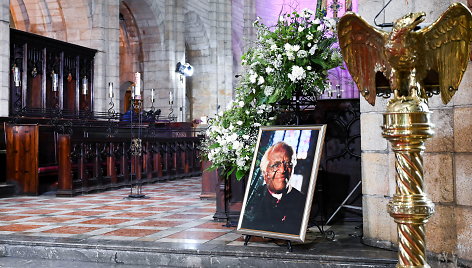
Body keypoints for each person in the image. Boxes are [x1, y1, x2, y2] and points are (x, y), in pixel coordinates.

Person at [241, 141, 305, 235]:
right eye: (276, 165)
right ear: (264, 172)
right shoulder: (253, 197)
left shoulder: (303, 200)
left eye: (288, 164)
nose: (283, 170)